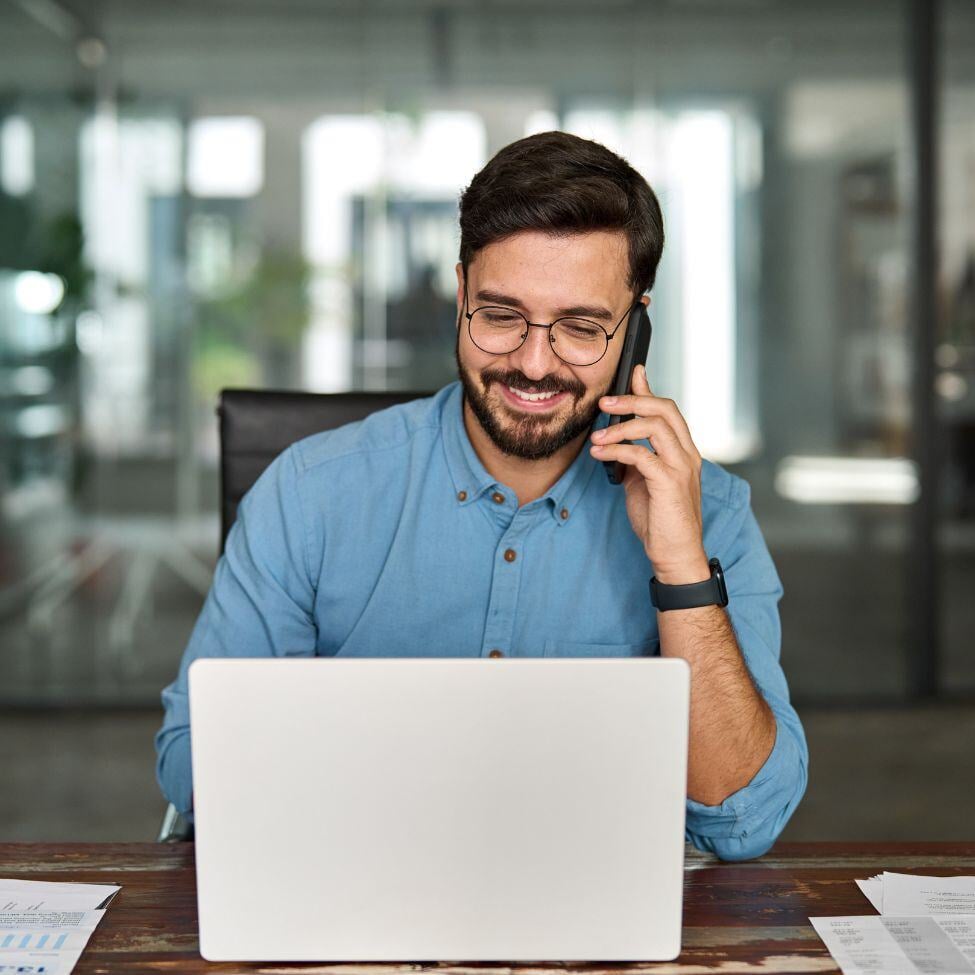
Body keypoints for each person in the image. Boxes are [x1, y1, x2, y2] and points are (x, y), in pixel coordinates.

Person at [156, 131, 807, 861]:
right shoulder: (310, 492)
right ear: (461, 294)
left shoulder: (707, 511)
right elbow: (193, 764)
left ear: (635, 329)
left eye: (581, 328)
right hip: (352, 886)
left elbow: (744, 817)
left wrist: (682, 569)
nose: (533, 362)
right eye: (500, 315)